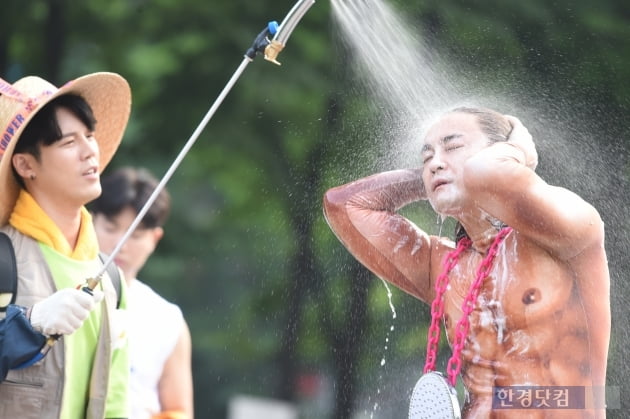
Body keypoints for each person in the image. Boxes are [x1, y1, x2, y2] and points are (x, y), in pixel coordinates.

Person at [323, 107, 610, 418]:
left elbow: (486, 174)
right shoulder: (443, 266)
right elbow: (344, 205)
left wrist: (518, 150)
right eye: (426, 157)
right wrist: (437, 180)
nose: (435, 163)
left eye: (454, 147)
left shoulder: (568, 230)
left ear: (502, 155)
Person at [0, 72, 132, 418]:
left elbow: (116, 398)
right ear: (25, 164)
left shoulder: (112, 277)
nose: (90, 150)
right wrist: (31, 323)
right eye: (69, 143)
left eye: (89, 135)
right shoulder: (3, 258)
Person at [89, 166, 194, 419]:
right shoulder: (59, 289)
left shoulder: (168, 320)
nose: (120, 245)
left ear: (154, 240)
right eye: (111, 228)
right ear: (91, 221)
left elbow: (179, 410)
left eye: (135, 235)